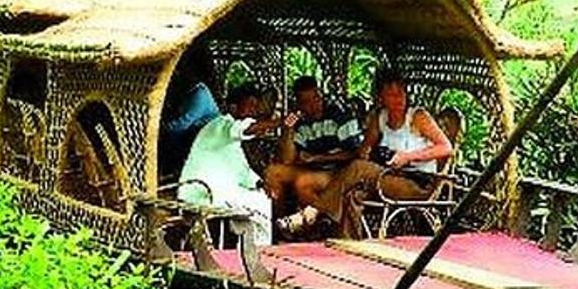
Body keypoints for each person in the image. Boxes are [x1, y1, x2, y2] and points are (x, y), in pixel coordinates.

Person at [277, 68, 453, 238]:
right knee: (352, 194)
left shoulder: (418, 117)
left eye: (401, 93)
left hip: (417, 183)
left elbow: (446, 148)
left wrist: (408, 156)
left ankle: (311, 212)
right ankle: (347, 242)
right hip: (388, 176)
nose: (398, 99)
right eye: (391, 95)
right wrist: (368, 151)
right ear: (381, 98)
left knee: (358, 169)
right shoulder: (380, 117)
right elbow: (364, 150)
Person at [178, 83, 280, 245]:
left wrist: (261, 183)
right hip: (202, 193)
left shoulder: (230, 141)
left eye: (256, 106)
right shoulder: (220, 125)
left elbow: (242, 170)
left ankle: (252, 249)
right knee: (260, 202)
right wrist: (279, 123)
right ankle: (259, 250)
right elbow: (244, 129)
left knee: (261, 197)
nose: (254, 111)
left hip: (216, 192)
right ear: (233, 108)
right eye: (250, 106)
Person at [262, 75, 363, 211]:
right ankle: (278, 224)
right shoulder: (302, 124)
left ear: (320, 96)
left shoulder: (340, 117)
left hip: (338, 172)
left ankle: (321, 221)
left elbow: (355, 153)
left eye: (314, 99)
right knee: (273, 172)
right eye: (305, 102)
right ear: (298, 104)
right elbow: (287, 159)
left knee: (304, 182)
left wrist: (318, 158)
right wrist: (288, 129)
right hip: (312, 169)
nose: (311, 105)